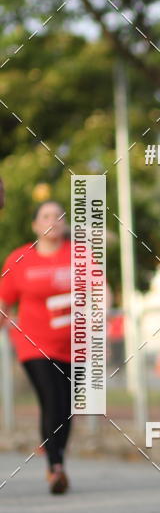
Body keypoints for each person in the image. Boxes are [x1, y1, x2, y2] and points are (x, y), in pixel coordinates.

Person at [0, 200, 72, 494]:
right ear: (35, 225)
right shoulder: (20, 259)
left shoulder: (78, 256)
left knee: (66, 408)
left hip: (72, 344)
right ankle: (55, 469)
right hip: (32, 342)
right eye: (46, 216)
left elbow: (100, 289)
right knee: (50, 398)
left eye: (58, 216)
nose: (53, 220)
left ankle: (54, 452)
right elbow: (4, 303)